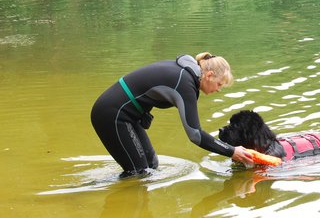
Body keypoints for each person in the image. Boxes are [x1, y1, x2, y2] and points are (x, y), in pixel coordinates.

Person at [91, 52, 254, 177]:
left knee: (151, 165)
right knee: (138, 173)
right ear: (209, 75)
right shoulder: (185, 83)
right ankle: (91, 193)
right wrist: (232, 151)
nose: (218, 89)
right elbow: (195, 135)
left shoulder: (186, 74)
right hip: (113, 114)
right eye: (219, 84)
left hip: (126, 115)